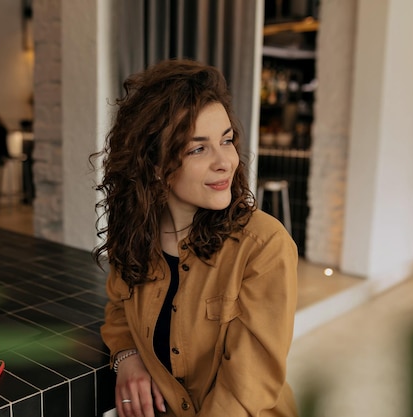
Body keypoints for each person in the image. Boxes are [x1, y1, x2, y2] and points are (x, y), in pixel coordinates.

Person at [93, 59, 299, 417]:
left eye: (227, 140)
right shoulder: (136, 234)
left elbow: (245, 390)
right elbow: (119, 310)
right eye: (198, 148)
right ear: (155, 165)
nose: (225, 162)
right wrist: (127, 357)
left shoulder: (264, 246)